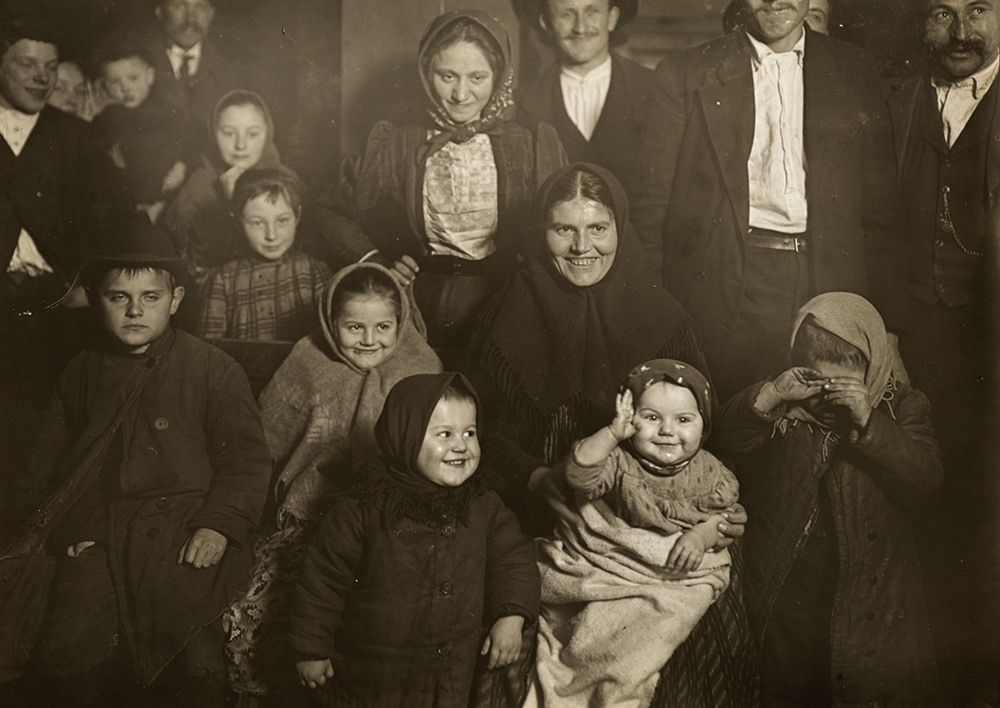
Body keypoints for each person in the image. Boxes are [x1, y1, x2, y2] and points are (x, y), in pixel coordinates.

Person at [469, 163, 755, 707]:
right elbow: (485, 437)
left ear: (621, 229)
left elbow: (698, 441)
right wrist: (537, 481)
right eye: (564, 230)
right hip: (537, 517)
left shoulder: (667, 319)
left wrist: (712, 515)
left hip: (654, 524)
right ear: (541, 233)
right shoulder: (504, 317)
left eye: (597, 228)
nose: (582, 247)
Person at [15, 222, 271, 705]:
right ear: (95, 299)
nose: (135, 310)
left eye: (150, 297)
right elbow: (47, 466)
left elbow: (246, 460)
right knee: (65, 654)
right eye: (119, 297)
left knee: (193, 663)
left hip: (187, 531)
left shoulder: (212, 368)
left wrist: (218, 525)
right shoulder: (81, 370)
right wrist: (70, 530)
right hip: (102, 531)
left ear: (175, 300)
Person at [633, 0, 906, 400]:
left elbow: (882, 211)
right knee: (733, 416)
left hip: (829, 279)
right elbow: (649, 210)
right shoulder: (684, 73)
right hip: (727, 281)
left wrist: (892, 327)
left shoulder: (855, 68)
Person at [224, 262, 442, 704]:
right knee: (257, 616)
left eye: (383, 326)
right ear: (330, 322)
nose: (369, 339)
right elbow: (266, 440)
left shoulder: (420, 365)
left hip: (396, 525)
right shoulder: (308, 360)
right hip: (310, 520)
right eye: (354, 327)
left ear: (399, 323)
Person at [714, 292, 941, 707]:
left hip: (867, 589)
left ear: (873, 370)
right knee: (786, 686)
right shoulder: (787, 395)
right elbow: (725, 439)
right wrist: (770, 396)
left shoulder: (899, 404)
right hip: (789, 584)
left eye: (845, 388)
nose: (829, 399)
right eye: (820, 384)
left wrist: (869, 422)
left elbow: (925, 479)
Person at [316, 9, 565, 363]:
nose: (461, 94)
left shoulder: (529, 144)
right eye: (447, 75)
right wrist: (375, 260)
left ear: (499, 76)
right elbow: (329, 210)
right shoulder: (399, 143)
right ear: (426, 73)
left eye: (477, 77)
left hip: (506, 303)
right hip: (422, 305)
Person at [288, 372, 540, 708]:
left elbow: (514, 557)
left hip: (449, 676)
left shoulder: (484, 504)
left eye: (469, 432)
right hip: (369, 678)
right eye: (444, 434)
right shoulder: (362, 509)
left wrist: (513, 615)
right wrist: (310, 649)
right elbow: (321, 580)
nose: (461, 445)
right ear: (404, 438)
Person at [887, 0, 1000, 699]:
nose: (961, 32)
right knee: (916, 498)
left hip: (991, 344)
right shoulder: (897, 99)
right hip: (915, 340)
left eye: (980, 10)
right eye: (942, 12)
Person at [530, 359, 739, 708]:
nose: (667, 431)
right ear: (630, 418)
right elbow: (579, 476)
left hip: (675, 577)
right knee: (591, 634)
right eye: (651, 417)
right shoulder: (617, 460)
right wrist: (613, 433)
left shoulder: (711, 474)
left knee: (654, 626)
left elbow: (730, 518)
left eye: (684, 420)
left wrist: (702, 535)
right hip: (611, 560)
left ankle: (620, 678)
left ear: (704, 427)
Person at [516, 0, 655, 196]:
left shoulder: (655, 89)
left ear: (611, 18)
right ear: (546, 23)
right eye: (567, 14)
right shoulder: (522, 101)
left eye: (592, 11)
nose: (580, 27)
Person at [162, 88, 284, 283]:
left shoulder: (285, 181)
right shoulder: (199, 183)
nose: (240, 145)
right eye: (228, 133)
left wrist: (235, 202)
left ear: (268, 132)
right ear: (213, 132)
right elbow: (175, 246)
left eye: (252, 134)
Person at [197, 168, 331, 341]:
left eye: (282, 220)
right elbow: (209, 351)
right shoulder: (222, 280)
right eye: (258, 222)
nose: (272, 235)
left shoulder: (313, 272)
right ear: (238, 222)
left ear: (297, 216)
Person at [91, 33, 191, 223]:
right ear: (103, 85)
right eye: (115, 82)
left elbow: (188, 148)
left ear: (150, 76)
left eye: (133, 78)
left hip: (168, 199)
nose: (125, 88)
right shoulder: (107, 120)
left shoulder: (169, 113)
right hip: (128, 204)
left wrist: (181, 165)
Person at [149, 0, 242, 154]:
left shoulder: (233, 73)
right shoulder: (141, 63)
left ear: (211, 14)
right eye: (179, 5)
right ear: (160, 13)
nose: (190, 19)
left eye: (200, 6)